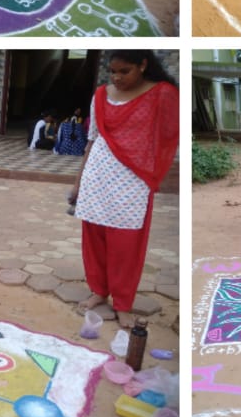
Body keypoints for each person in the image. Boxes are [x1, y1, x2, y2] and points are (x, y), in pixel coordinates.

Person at [70, 52, 180, 329]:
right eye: (113, 72)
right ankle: (99, 290)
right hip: (98, 173)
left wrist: (151, 168)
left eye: (125, 71)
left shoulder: (162, 94)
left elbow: (170, 135)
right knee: (94, 235)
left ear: (143, 65)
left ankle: (122, 303)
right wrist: (78, 181)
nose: (117, 78)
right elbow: (93, 138)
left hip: (133, 178)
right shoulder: (100, 94)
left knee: (126, 243)